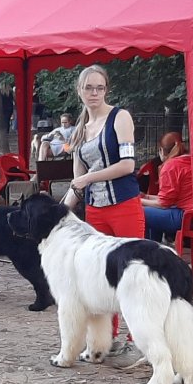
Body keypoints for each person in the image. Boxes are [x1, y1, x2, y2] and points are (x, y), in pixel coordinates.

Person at [62, 64, 143, 346]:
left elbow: (127, 165)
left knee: (131, 272)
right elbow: (76, 182)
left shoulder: (120, 117)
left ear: (106, 89)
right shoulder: (79, 130)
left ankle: (138, 339)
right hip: (95, 208)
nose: (94, 93)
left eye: (99, 87)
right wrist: (59, 217)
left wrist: (87, 178)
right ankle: (107, 338)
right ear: (79, 91)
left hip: (124, 203)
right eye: (88, 88)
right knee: (100, 275)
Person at [141, 132, 193, 241]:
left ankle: (148, 251)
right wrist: (147, 197)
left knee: (139, 211)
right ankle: (155, 248)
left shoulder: (171, 166)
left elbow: (163, 204)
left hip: (187, 217)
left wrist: (139, 201)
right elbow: (171, 198)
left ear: (161, 150)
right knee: (152, 211)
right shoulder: (191, 160)